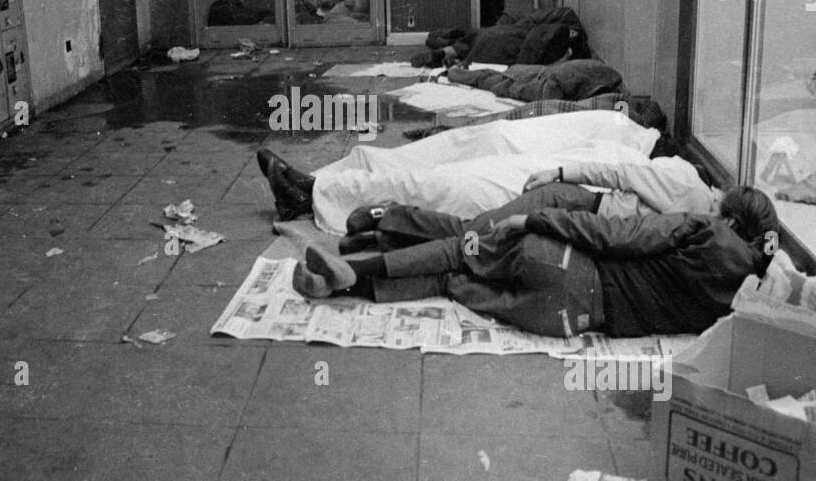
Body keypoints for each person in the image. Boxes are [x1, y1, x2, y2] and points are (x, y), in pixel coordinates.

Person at [291, 186, 779, 339]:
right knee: (449, 282)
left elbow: (613, 235)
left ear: (731, 219)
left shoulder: (706, 230)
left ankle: (357, 273)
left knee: (461, 250)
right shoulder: (739, 303)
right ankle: (340, 288)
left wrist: (534, 220)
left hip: (567, 266)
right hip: (567, 319)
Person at [256, 109, 663, 232]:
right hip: (557, 171)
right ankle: (329, 181)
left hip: (556, 188)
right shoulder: (633, 141)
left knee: (439, 185)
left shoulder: (685, 214)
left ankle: (312, 193)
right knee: (455, 150)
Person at [338, 155, 723, 254]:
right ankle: (388, 218)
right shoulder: (687, 185)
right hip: (576, 205)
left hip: (583, 225)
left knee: (480, 242)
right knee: (478, 231)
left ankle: (385, 238)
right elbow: (616, 173)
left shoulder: (705, 225)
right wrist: (558, 171)